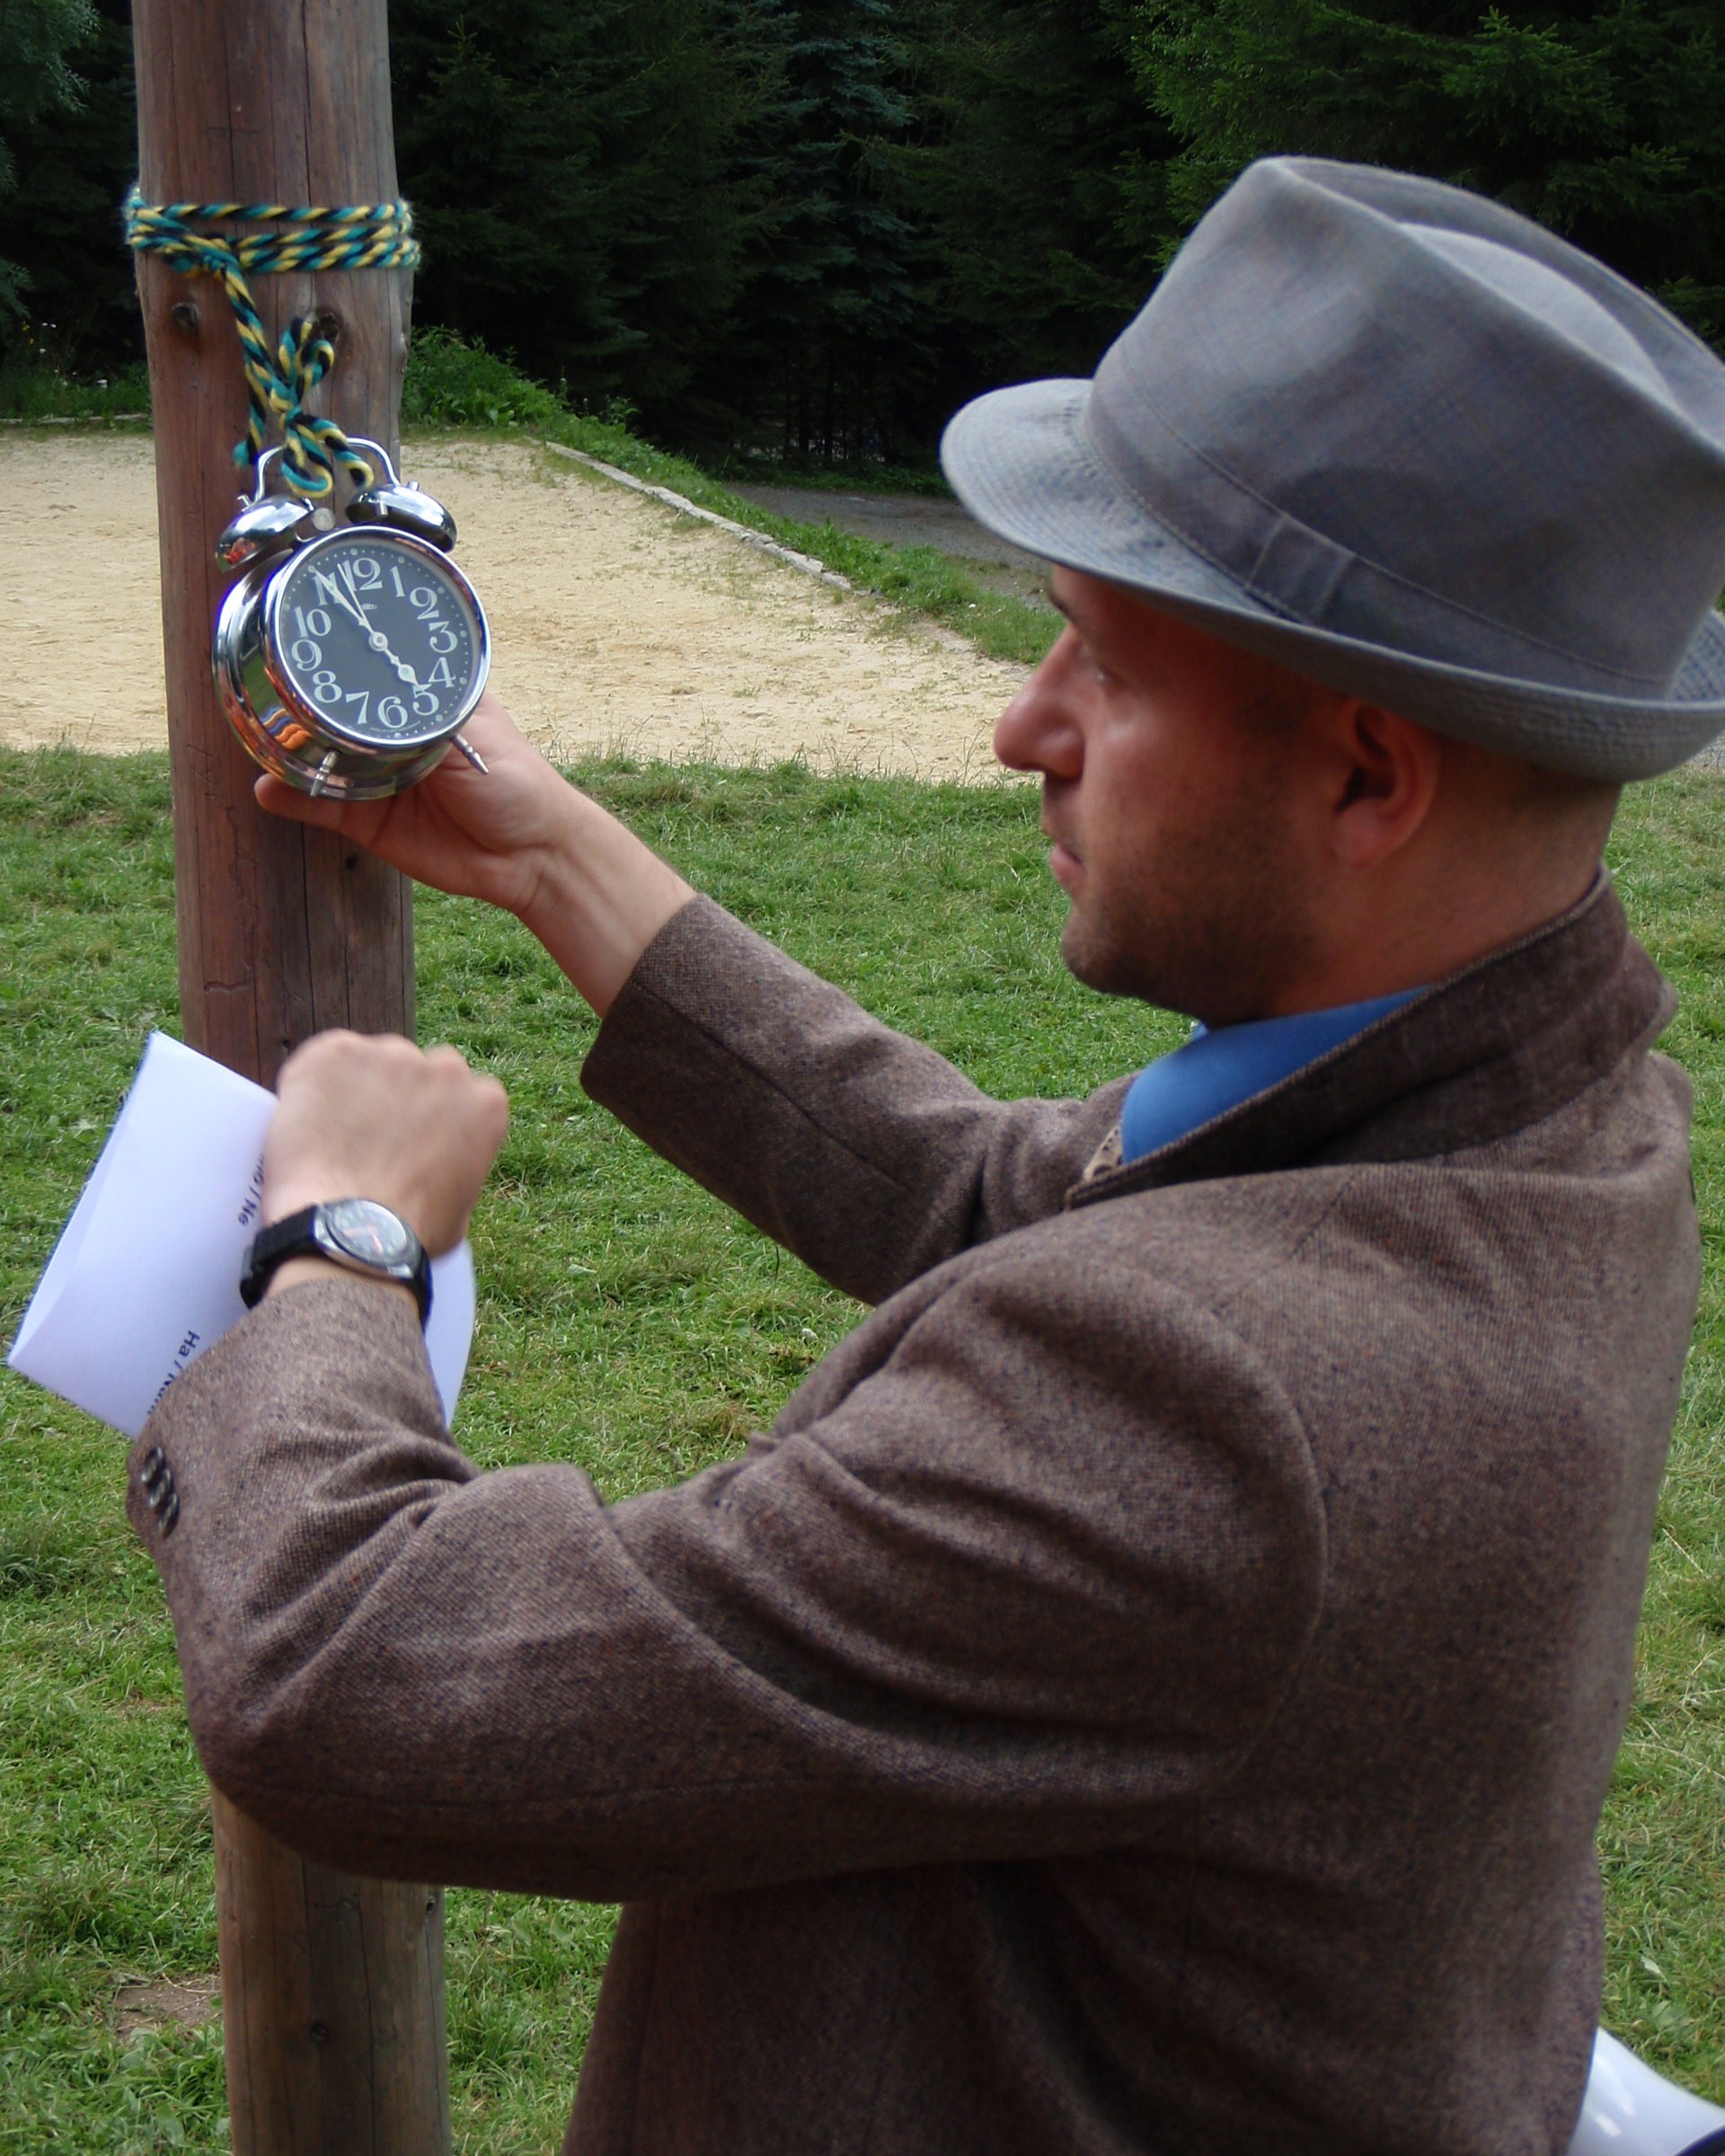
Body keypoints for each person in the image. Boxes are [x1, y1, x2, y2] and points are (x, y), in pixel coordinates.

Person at [128, 157, 1725, 2156]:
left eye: (1104, 665)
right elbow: (1010, 1207)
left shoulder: (1229, 1410)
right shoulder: (1551, 1118)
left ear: (1367, 773)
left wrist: (343, 1248)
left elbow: (357, 1676)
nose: (1017, 728)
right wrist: (557, 862)